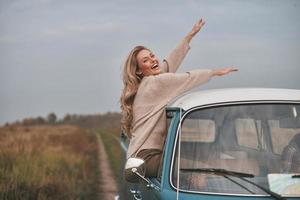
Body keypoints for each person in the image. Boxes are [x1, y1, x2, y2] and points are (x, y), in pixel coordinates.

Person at [120, 19, 238, 178]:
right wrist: (214, 72)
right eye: (145, 60)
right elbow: (186, 79)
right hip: (145, 158)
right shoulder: (154, 84)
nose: (153, 60)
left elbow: (168, 64)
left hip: (144, 155)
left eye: (152, 55)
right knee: (201, 170)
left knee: (201, 168)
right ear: (140, 71)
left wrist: (189, 36)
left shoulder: (148, 83)